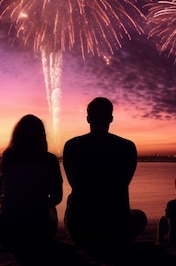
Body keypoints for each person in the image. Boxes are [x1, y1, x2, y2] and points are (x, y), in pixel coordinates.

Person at [63, 97, 147, 248]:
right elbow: (125, 181)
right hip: (115, 226)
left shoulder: (71, 146)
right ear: (111, 118)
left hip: (80, 227)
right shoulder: (128, 147)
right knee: (140, 216)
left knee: (73, 199)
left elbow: (72, 183)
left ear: (88, 119)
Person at [0, 114, 63, 250]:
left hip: (6, 230)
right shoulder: (49, 160)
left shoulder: (8, 158)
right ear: (42, 136)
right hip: (39, 230)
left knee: (4, 211)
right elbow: (57, 197)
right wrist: (38, 204)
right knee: (51, 210)